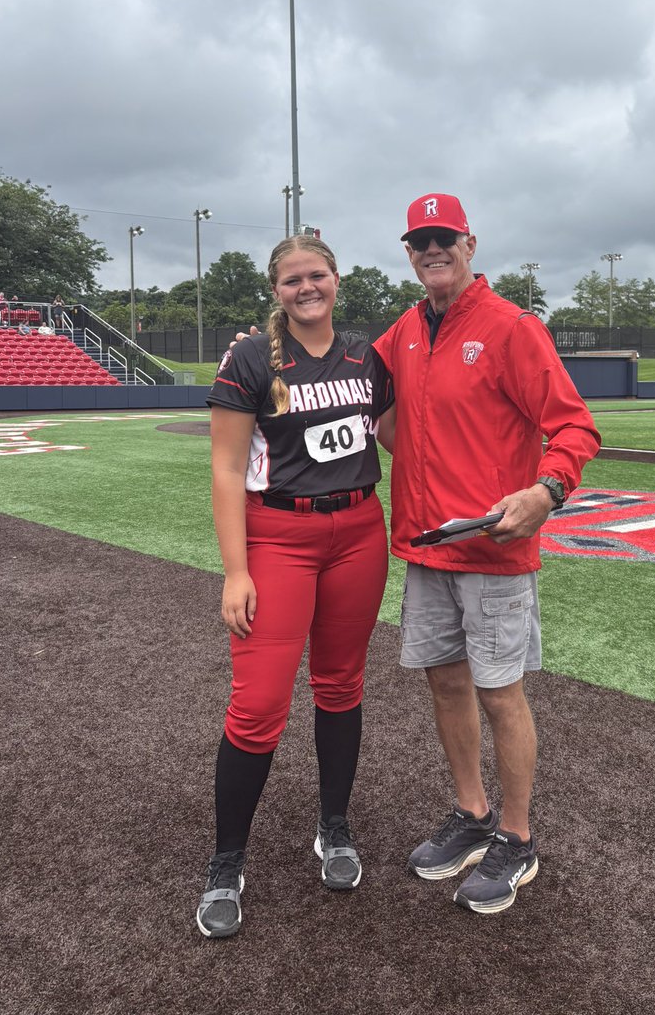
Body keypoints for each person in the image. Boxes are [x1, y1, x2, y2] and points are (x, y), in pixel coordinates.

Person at [372, 193, 601, 915]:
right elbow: (349, 387)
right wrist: (267, 355)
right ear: (409, 252)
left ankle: (516, 835)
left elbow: (575, 428)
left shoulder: (510, 327)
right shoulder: (404, 329)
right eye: (420, 241)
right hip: (426, 546)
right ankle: (471, 814)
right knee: (444, 684)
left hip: (494, 549)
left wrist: (546, 491)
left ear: (470, 243)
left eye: (444, 238)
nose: (432, 249)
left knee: (501, 692)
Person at [196, 233, 393, 939]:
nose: (307, 287)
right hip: (279, 537)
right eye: (292, 280)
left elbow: (398, 434)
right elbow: (224, 469)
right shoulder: (251, 357)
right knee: (258, 704)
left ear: (337, 280)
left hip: (361, 533)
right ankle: (227, 862)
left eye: (318, 275)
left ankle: (333, 827)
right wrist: (236, 569)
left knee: (342, 685)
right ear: (276, 290)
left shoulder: (367, 356)